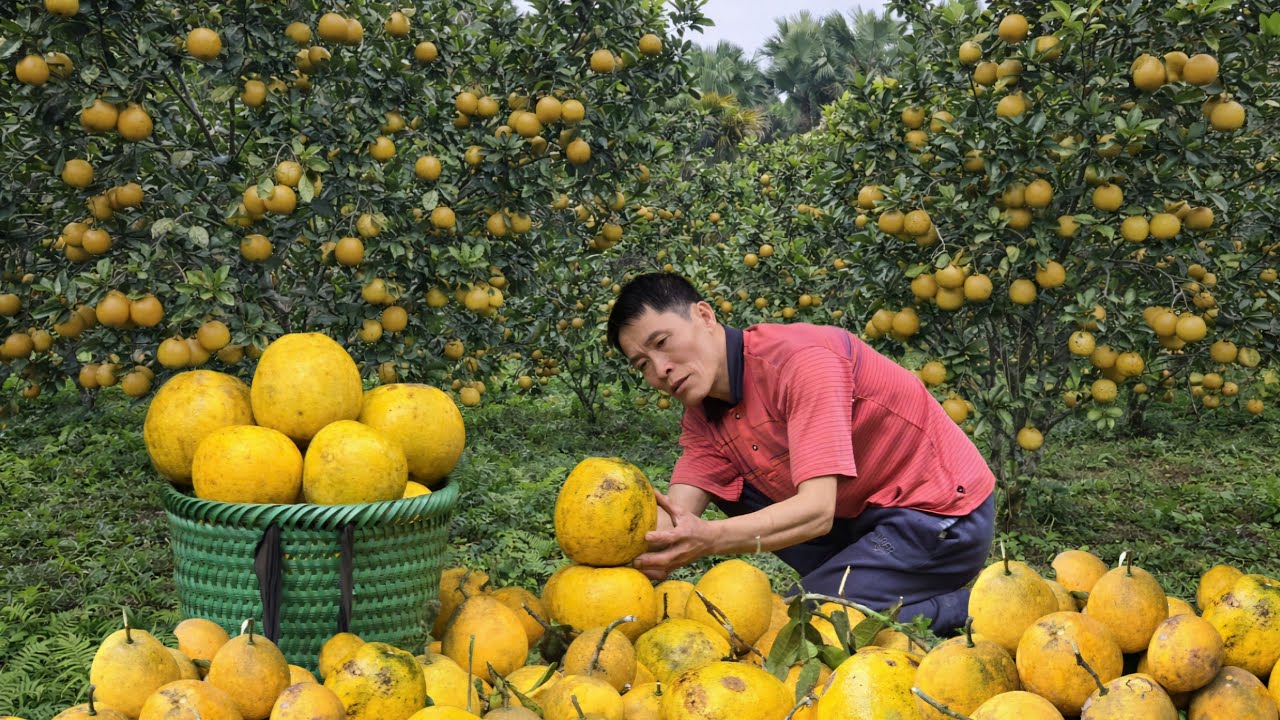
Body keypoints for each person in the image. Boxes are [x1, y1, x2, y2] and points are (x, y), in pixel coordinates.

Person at [606, 272, 996, 634]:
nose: (660, 370)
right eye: (643, 364)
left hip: (940, 515)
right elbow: (674, 517)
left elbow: (816, 509)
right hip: (862, 517)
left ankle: (971, 607)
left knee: (805, 620)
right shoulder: (703, 416)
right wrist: (610, 548)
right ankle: (858, 578)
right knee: (733, 488)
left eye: (662, 343)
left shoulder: (801, 361)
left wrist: (711, 537)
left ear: (705, 316)